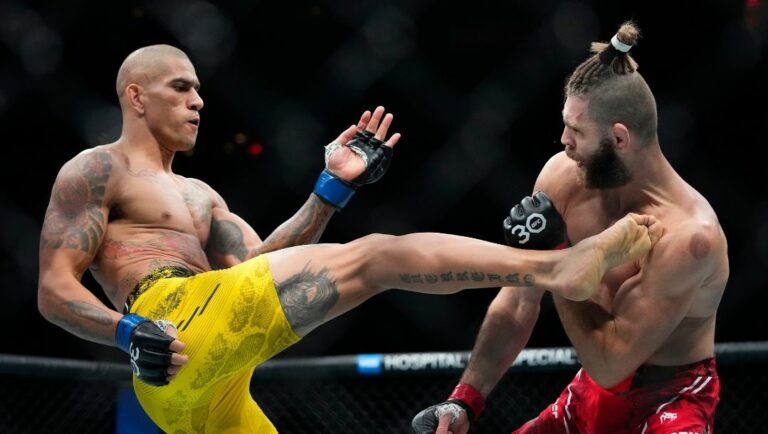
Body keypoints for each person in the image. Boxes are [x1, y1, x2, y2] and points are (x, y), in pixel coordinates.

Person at [37, 44, 659, 434]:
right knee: (378, 256)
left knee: (344, 261)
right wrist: (124, 331)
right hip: (165, 331)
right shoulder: (97, 169)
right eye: (182, 87)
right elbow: (53, 288)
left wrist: (329, 190)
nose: (200, 100)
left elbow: (261, 268)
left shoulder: (203, 198)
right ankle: (554, 269)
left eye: (200, 87)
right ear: (135, 96)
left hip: (211, 379)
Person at [413, 21, 728, 434]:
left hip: (670, 401)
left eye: (577, 131)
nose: (563, 140)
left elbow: (612, 362)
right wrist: (465, 401)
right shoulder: (563, 179)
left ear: (618, 139)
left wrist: (560, 255)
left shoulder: (690, 236)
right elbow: (517, 303)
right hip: (589, 393)